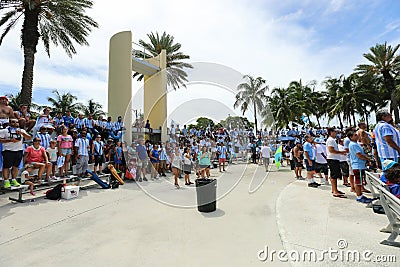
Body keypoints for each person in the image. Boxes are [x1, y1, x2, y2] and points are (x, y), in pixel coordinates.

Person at [0, 119, 31, 188]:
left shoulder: (21, 130)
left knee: (15, 166)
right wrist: (9, 140)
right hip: (8, 151)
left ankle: (14, 179)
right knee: (6, 167)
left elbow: (29, 137)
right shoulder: (4, 131)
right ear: (9, 123)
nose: (15, 123)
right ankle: (6, 181)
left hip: (19, 151)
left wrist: (22, 133)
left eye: (16, 122)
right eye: (13, 122)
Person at [347, 131, 374, 203]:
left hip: (360, 165)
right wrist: (368, 159)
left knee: (360, 181)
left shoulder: (356, 144)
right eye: (355, 135)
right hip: (358, 165)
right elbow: (359, 155)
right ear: (351, 137)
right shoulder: (353, 145)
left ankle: (360, 195)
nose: (357, 136)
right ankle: (359, 196)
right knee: (358, 182)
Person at [326, 128, 347, 198]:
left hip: (334, 159)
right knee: (334, 175)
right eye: (335, 132)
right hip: (332, 159)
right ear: (331, 132)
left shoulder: (332, 140)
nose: (336, 133)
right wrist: (341, 152)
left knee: (335, 175)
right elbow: (331, 150)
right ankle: (335, 191)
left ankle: (335, 189)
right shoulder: (331, 140)